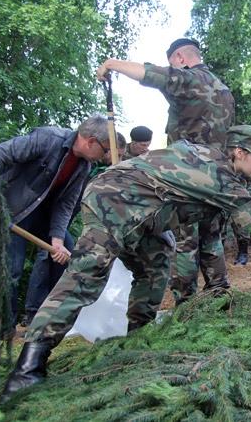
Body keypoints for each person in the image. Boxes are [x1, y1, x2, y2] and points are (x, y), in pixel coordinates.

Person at [1, 125, 251, 399]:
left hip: (143, 212)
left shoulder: (217, 163)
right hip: (114, 201)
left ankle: (136, 339)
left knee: (157, 260)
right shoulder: (220, 178)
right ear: (238, 152)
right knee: (86, 275)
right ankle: (28, 368)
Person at [96, 37, 235, 306]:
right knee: (212, 238)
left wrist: (111, 64)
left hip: (188, 179)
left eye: (172, 62)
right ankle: (221, 299)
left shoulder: (189, 79)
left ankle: (186, 307)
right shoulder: (223, 89)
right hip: (218, 178)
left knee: (186, 241)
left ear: (180, 58)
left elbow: (149, 74)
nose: (171, 67)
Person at [0, 115, 111, 329]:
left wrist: (57, 239)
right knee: (12, 268)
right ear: (91, 141)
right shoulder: (48, 138)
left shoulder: (83, 167)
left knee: (67, 254)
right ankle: (4, 329)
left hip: (41, 215)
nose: (105, 156)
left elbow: (66, 204)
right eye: (105, 149)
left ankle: (49, 319)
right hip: (13, 211)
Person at [23, 132, 127, 326]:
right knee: (46, 256)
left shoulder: (95, 165)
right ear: (106, 147)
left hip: (67, 215)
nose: (117, 159)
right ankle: (33, 312)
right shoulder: (92, 166)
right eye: (115, 154)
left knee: (65, 258)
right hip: (52, 214)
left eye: (120, 156)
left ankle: (55, 309)